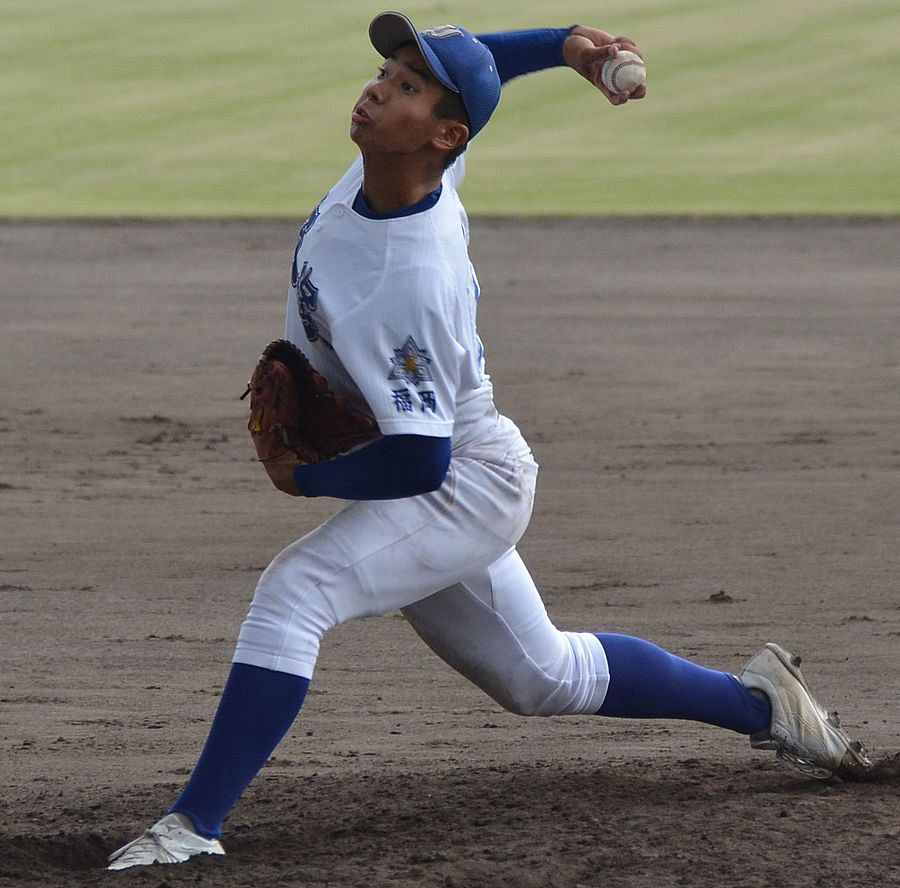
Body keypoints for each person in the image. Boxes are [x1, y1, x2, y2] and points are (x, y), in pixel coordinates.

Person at [107, 11, 871, 871]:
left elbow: (420, 459)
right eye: (387, 72)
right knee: (542, 678)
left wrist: (304, 479)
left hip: (464, 481)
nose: (377, 91)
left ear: (441, 135)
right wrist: (566, 44)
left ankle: (192, 826)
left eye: (404, 86)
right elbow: (474, 74)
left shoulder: (407, 278)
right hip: (444, 463)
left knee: (298, 590)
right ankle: (762, 705)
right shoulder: (401, 167)